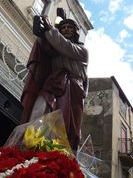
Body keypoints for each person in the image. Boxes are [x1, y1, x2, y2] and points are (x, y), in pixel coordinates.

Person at [20, 10, 89, 152]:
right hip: (52, 84)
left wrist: (51, 29)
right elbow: (46, 49)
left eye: (70, 27)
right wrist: (40, 36)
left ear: (76, 32)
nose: (66, 30)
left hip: (72, 90)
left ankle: (55, 153)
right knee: (38, 111)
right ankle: (30, 147)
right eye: (63, 28)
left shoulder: (82, 51)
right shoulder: (56, 49)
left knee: (64, 125)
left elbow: (65, 46)